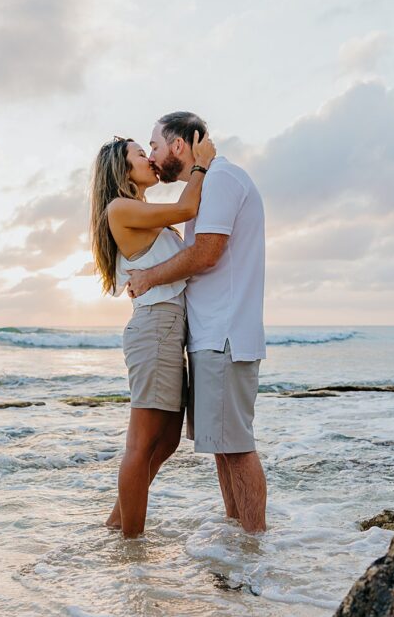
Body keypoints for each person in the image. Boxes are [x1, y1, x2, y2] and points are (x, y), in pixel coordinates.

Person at [126, 111, 267, 533]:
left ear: (179, 145)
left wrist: (148, 277)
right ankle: (239, 544)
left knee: (236, 448)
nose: (151, 156)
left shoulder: (222, 179)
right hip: (212, 336)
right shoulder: (206, 185)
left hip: (224, 335)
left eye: (154, 145)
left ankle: (255, 544)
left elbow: (207, 252)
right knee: (225, 449)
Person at [88, 131, 216, 538]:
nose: (149, 160)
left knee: (167, 443)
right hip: (154, 327)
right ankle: (132, 545)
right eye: (141, 155)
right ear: (122, 169)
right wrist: (200, 164)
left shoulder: (136, 208)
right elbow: (186, 207)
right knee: (142, 443)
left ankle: (116, 524)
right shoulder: (120, 208)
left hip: (166, 329)